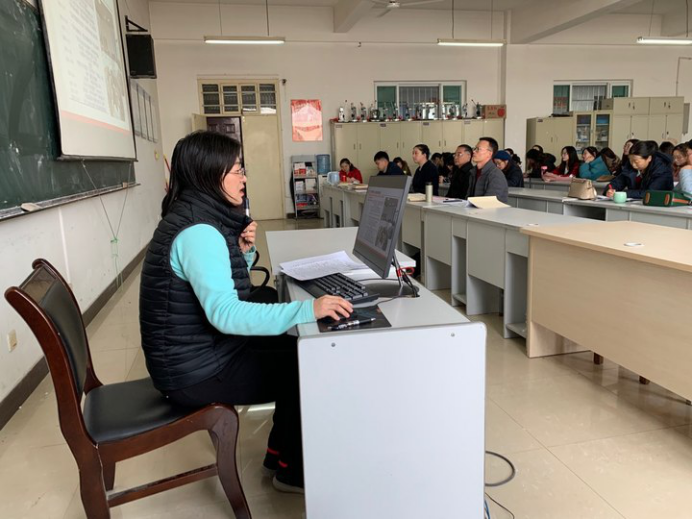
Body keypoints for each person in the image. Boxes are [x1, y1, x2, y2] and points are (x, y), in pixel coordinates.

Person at [139, 131, 352, 494]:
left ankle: (280, 456)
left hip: (193, 355)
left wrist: (241, 253)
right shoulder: (199, 232)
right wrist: (308, 308)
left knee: (296, 346)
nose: (244, 178)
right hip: (194, 372)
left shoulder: (194, 216)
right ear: (209, 174)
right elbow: (225, 313)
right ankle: (292, 472)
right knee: (305, 362)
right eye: (237, 170)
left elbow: (217, 286)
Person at [605, 140, 674, 199]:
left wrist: (623, 193)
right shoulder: (630, 165)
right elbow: (619, 181)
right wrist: (610, 189)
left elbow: (650, 193)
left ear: (649, 158)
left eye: (636, 161)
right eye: (630, 160)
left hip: (658, 205)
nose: (633, 164)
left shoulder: (662, 169)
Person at [467, 137, 509, 203]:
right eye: (474, 148)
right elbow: (469, 197)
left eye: (478, 149)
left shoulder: (496, 175)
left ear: (489, 153)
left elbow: (489, 203)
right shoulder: (473, 171)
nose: (474, 152)